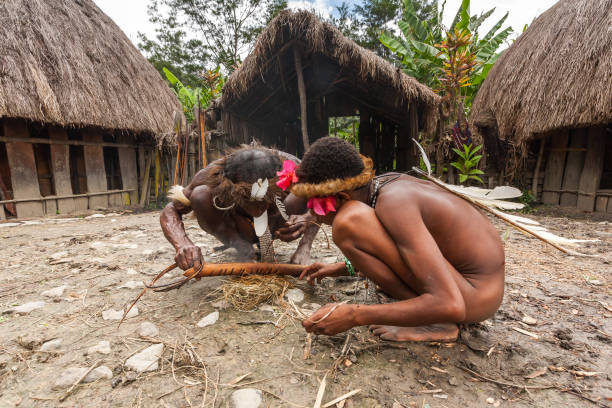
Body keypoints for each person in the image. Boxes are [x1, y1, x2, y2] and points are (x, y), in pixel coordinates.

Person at [280, 137, 504, 342]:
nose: (315, 216)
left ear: (341, 197)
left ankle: (436, 322)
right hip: (465, 287)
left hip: (473, 298)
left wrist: (353, 315)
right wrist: (342, 268)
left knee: (348, 223)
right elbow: (408, 254)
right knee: (352, 222)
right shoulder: (381, 187)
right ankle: (430, 314)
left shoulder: (394, 203)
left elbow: (450, 304)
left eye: (315, 208)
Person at [160, 146, 318, 270]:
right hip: (239, 226)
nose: (258, 212)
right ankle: (241, 246)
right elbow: (171, 209)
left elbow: (331, 196)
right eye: (252, 204)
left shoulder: (294, 171)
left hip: (278, 222)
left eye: (262, 203)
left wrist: (306, 235)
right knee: (199, 195)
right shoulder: (212, 176)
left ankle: (273, 241)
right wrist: (183, 244)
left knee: (311, 192)